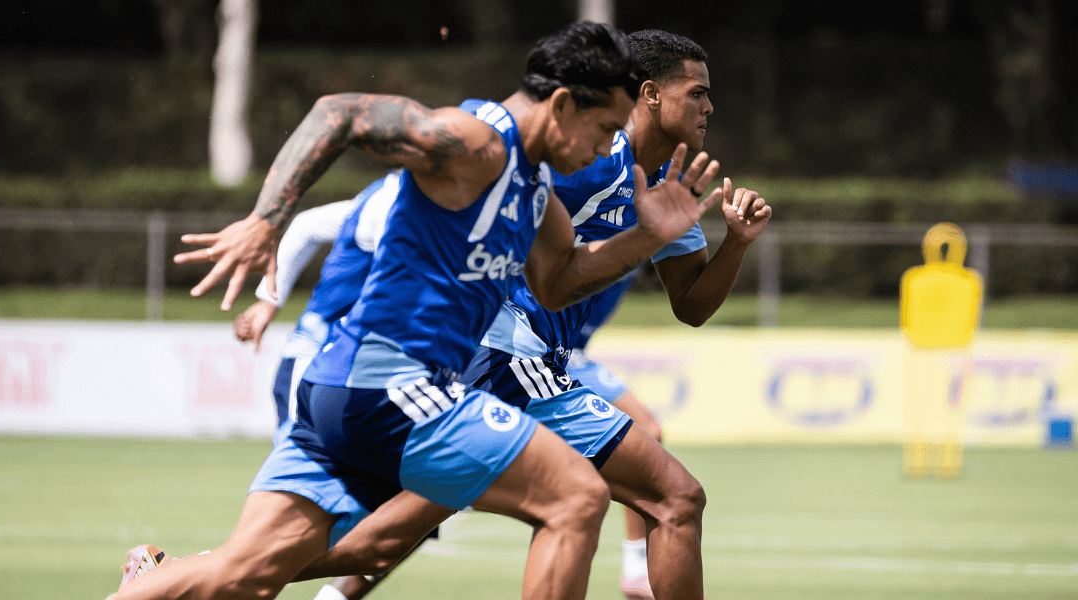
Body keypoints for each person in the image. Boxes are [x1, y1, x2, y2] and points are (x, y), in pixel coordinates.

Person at [113, 21, 723, 600]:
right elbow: (339, 113)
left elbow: (558, 285)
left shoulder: (535, 187)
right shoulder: (478, 141)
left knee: (261, 572)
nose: (604, 148)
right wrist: (265, 222)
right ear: (563, 105)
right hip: (392, 382)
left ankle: (157, 580)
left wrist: (647, 238)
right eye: (604, 129)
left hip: (347, 387)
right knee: (575, 498)